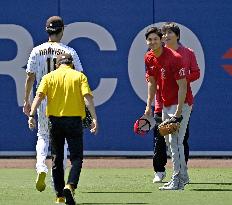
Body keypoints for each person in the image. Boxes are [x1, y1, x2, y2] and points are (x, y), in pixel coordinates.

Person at [23, 16, 84, 197]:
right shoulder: (69, 52)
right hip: (63, 101)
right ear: (62, 30)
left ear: (47, 31)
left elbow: (30, 77)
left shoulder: (36, 50)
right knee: (62, 143)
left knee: (42, 136)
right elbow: (79, 77)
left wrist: (26, 99)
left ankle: (41, 166)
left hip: (42, 99)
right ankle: (57, 180)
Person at [28, 53, 98, 204]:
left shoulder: (49, 77)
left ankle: (60, 195)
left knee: (57, 159)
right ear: (71, 63)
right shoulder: (79, 76)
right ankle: (70, 185)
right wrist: (94, 118)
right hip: (74, 122)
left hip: (55, 122)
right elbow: (87, 98)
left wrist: (31, 115)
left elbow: (38, 96)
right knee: (76, 158)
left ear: (57, 64)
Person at [144, 26, 193, 190]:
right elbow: (151, 82)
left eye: (156, 39)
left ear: (161, 40)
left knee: (176, 142)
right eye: (150, 39)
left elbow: (183, 86)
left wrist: (179, 111)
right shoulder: (149, 57)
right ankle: (183, 176)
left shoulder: (174, 57)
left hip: (181, 103)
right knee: (167, 140)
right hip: (165, 104)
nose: (153, 42)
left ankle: (177, 181)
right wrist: (149, 105)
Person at [152, 22, 200, 183]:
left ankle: (180, 174)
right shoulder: (158, 54)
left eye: (169, 33)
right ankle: (162, 171)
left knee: (179, 140)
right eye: (164, 33)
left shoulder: (187, 53)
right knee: (164, 137)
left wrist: (182, 78)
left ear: (177, 36)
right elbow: (153, 79)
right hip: (163, 101)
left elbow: (196, 73)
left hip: (181, 101)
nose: (165, 36)